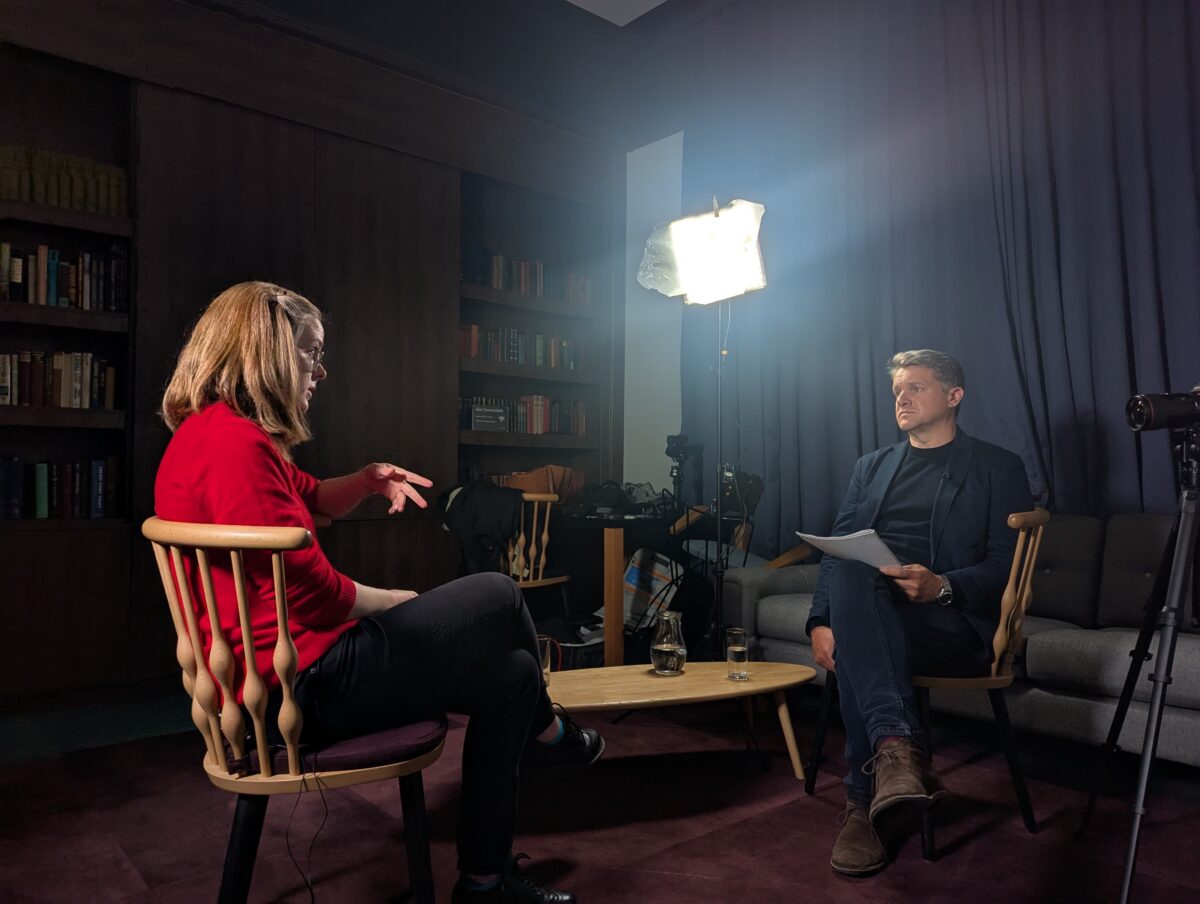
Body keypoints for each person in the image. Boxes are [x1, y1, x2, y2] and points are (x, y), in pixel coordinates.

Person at [154, 281, 602, 904]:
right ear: (268, 350)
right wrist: (395, 600)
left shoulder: (217, 435)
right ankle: (549, 734)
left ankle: (486, 881)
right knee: (500, 592)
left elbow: (311, 493)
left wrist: (367, 480)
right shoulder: (237, 448)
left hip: (292, 674)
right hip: (296, 688)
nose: (320, 370)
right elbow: (314, 596)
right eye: (311, 352)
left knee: (515, 675)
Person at [805, 349, 1032, 876]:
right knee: (855, 573)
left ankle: (861, 800)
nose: (901, 399)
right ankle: (896, 756)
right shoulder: (871, 467)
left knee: (861, 634)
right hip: (871, 612)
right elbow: (836, 551)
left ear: (954, 395)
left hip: (951, 621)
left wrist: (943, 586)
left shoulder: (998, 466)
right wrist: (819, 621)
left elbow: (1008, 564)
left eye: (915, 388)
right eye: (896, 391)